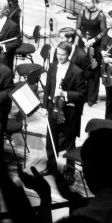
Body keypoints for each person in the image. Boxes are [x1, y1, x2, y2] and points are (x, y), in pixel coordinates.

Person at [45, 42, 87, 171]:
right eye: (58, 54)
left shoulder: (77, 71)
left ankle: (69, 170)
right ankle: (51, 166)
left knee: (69, 142)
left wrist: (65, 94)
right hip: (53, 108)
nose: (60, 57)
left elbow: (82, 94)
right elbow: (48, 87)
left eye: (63, 55)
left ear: (69, 55)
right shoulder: (52, 67)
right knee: (50, 139)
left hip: (69, 111)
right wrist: (44, 106)